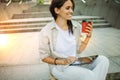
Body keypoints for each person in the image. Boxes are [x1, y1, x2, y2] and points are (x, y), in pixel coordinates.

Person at [39, 0, 109, 80]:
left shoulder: (76, 26)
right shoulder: (46, 31)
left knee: (103, 60)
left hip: (76, 63)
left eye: (72, 8)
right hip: (60, 67)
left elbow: (79, 50)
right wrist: (64, 61)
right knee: (88, 76)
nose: (71, 11)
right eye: (67, 8)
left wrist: (88, 38)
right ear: (57, 10)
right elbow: (44, 57)